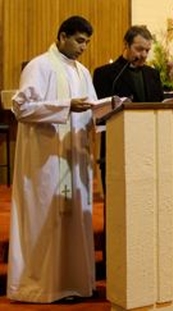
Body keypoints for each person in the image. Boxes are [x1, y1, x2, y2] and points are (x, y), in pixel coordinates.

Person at [7, 15, 97, 303]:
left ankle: (74, 283)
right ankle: (42, 286)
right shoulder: (40, 66)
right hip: (46, 161)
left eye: (87, 42)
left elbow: (92, 108)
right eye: (79, 40)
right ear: (62, 36)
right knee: (45, 219)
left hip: (74, 158)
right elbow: (21, 107)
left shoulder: (83, 71)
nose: (84, 47)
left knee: (73, 224)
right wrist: (64, 106)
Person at [93, 25, 164, 193]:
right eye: (139, 49)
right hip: (118, 145)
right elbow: (101, 112)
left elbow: (159, 105)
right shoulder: (105, 74)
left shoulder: (152, 74)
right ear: (126, 44)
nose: (144, 55)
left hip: (148, 145)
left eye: (147, 50)